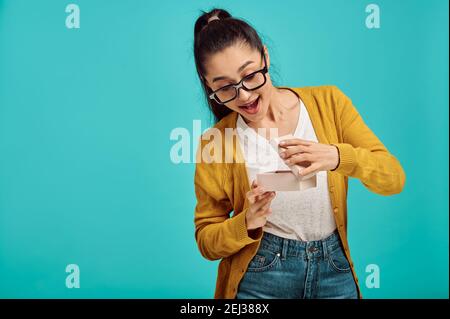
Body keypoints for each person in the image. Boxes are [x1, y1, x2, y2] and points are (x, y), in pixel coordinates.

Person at [192, 8, 406, 299]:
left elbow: (393, 178)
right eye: (226, 87)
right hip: (261, 275)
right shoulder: (215, 143)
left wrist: (336, 157)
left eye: (250, 75)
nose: (243, 96)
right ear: (210, 87)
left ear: (265, 58)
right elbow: (206, 240)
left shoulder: (329, 103)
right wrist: (245, 222)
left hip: (333, 267)